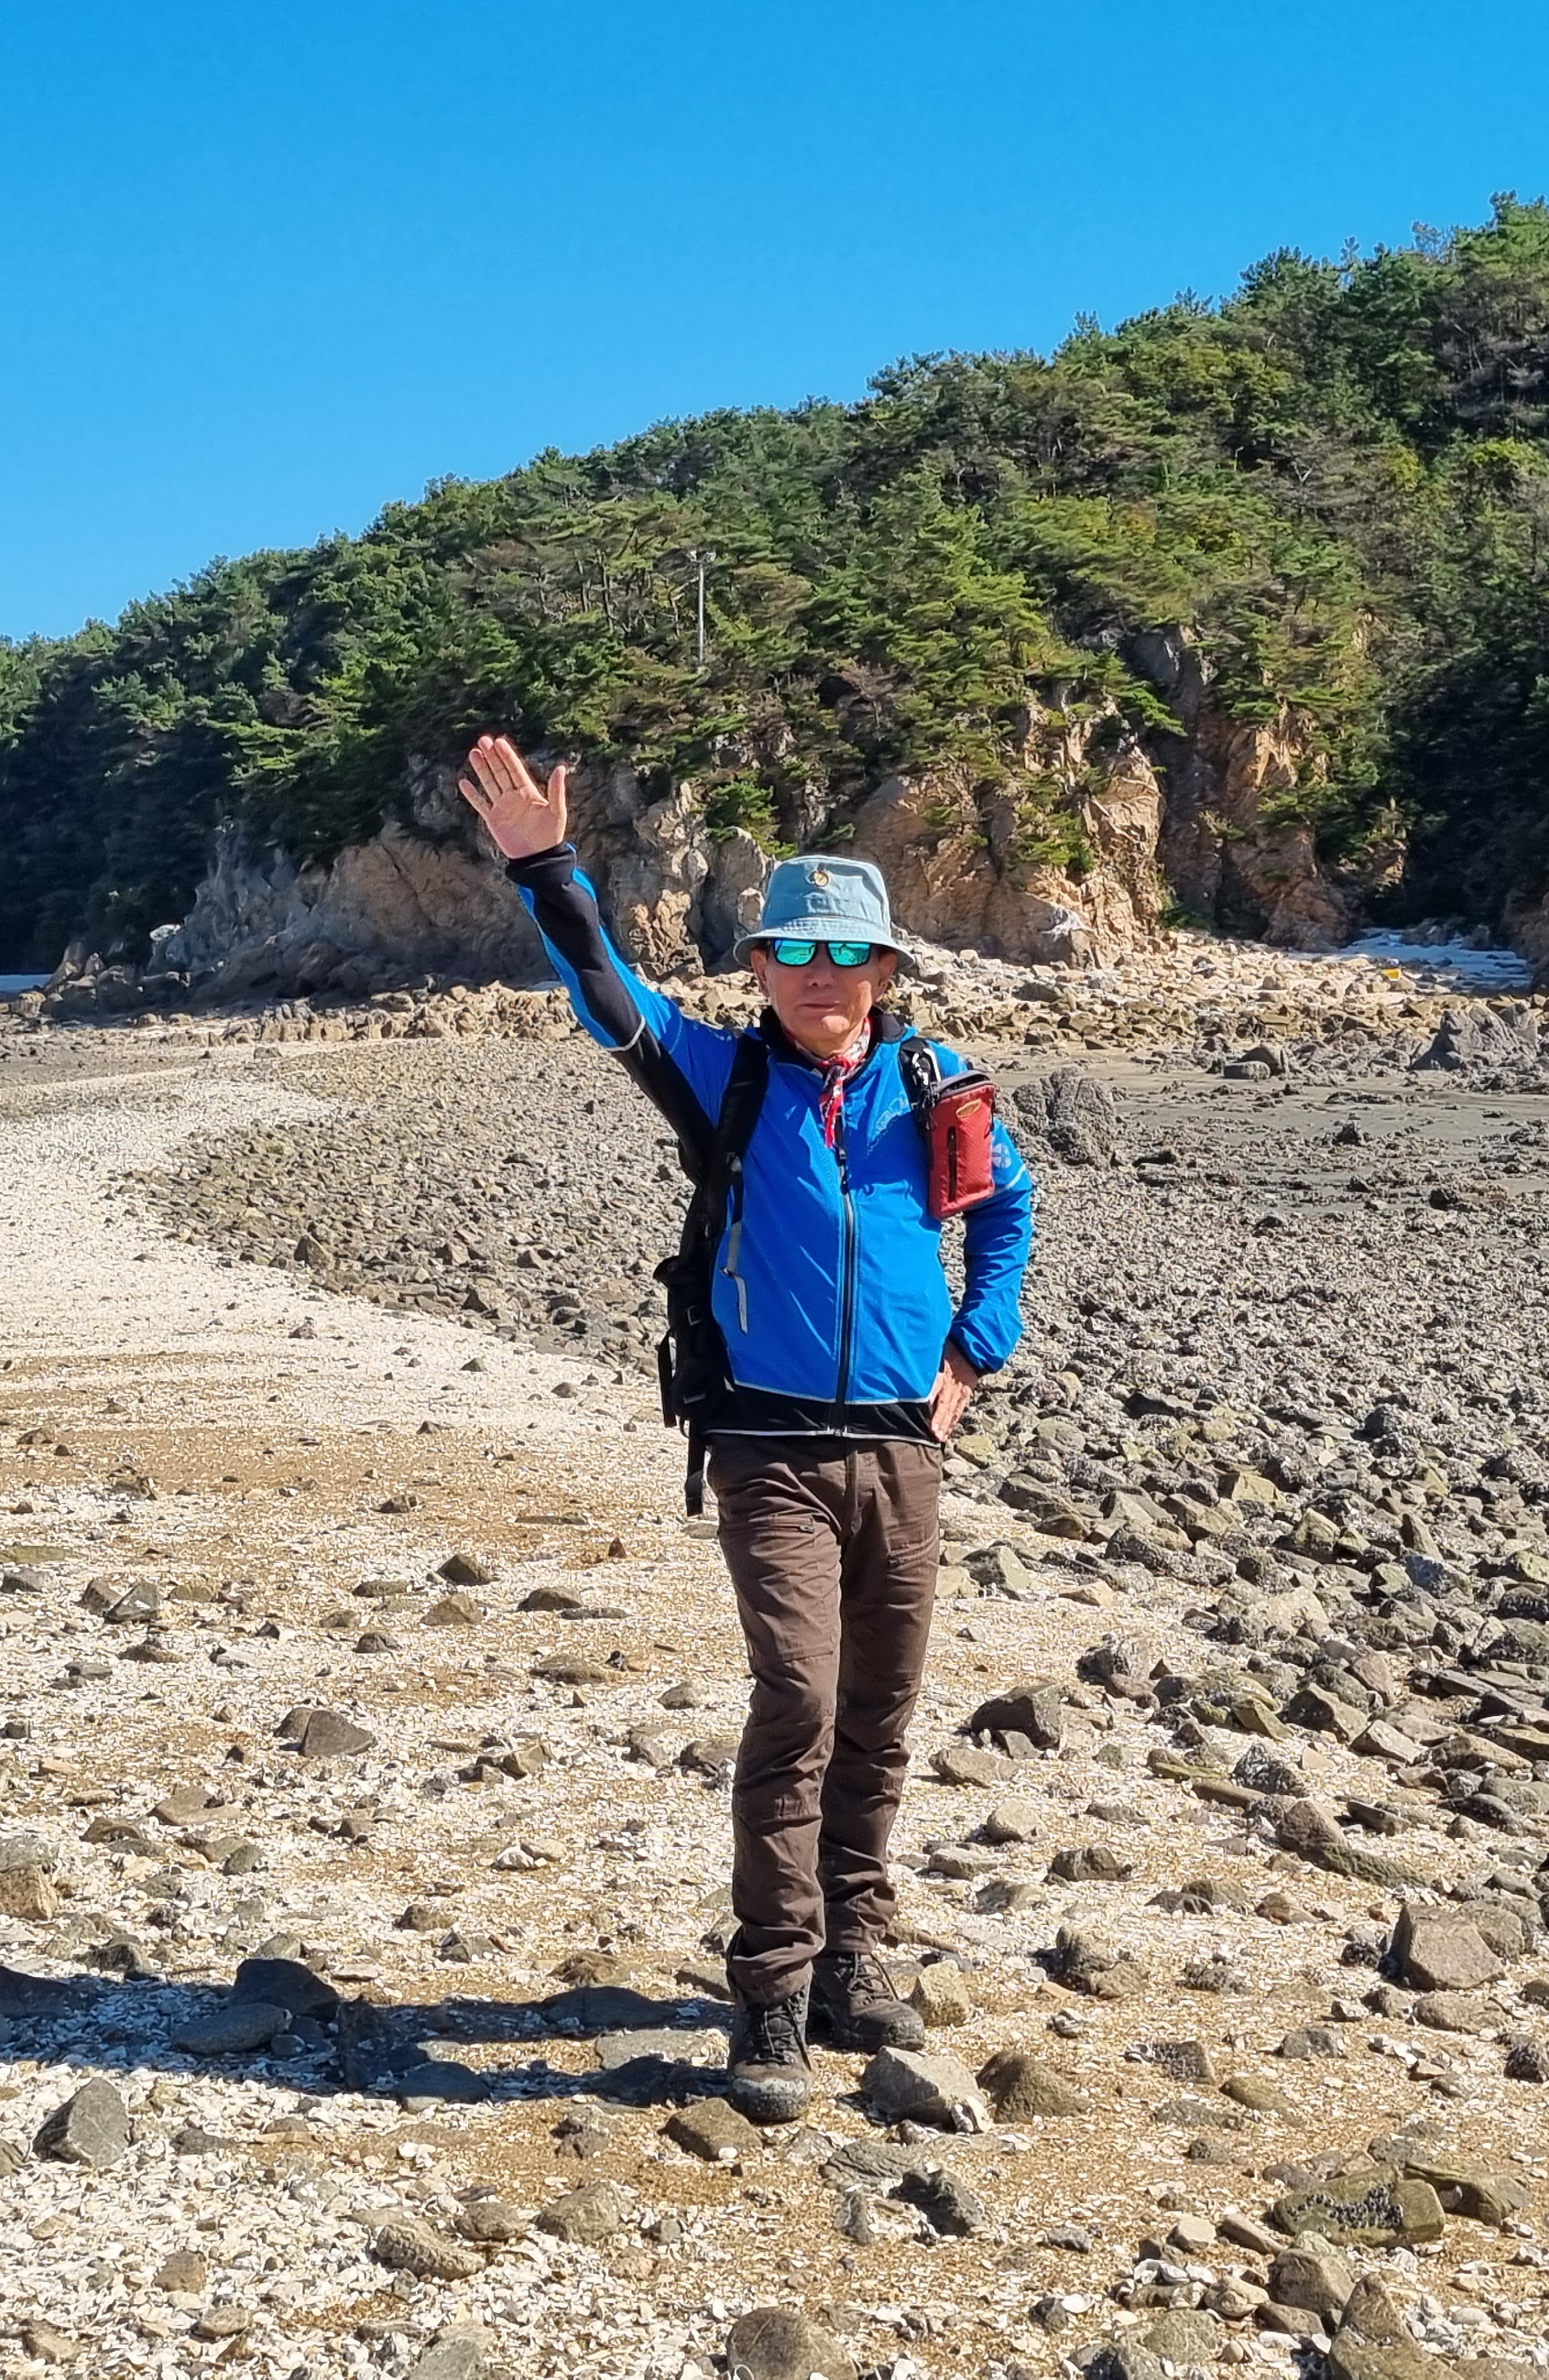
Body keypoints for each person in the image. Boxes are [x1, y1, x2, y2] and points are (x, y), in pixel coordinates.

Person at [457, 733, 1038, 2119]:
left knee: (882, 1712)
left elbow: (1008, 1213)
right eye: (795, 954)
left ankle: (854, 1956)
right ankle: (771, 1987)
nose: (821, 976)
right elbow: (606, 990)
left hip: (903, 1446)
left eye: (847, 956)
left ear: (883, 971)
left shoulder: (934, 1087)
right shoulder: (720, 1079)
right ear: (762, 968)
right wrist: (548, 868)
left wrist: (977, 1345)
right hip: (768, 1448)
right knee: (801, 1701)